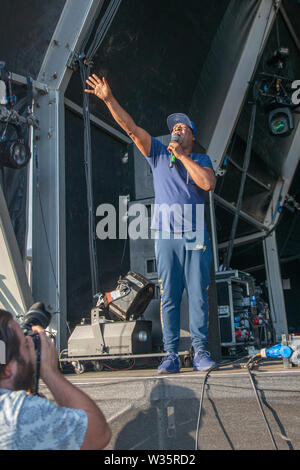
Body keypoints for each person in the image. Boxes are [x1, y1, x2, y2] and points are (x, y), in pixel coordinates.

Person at [85, 74, 217, 373]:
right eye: (173, 128)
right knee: (169, 296)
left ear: (191, 137)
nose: (176, 130)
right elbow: (132, 130)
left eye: (182, 128)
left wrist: (182, 157)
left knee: (197, 294)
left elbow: (207, 184)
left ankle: (200, 352)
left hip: (194, 230)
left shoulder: (201, 159)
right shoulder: (157, 154)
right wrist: (108, 100)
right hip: (167, 233)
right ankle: (170, 355)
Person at [0, 308, 111, 450]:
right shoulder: (16, 414)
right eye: (25, 344)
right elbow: (97, 434)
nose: (30, 347)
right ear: (8, 369)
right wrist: (49, 371)